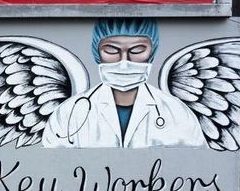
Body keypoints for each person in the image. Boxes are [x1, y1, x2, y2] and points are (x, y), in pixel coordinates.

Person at [42, 18, 207, 149]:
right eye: (112, 50)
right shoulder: (70, 115)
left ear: (153, 51)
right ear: (97, 52)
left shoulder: (177, 114)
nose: (124, 61)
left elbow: (195, 170)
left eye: (137, 50)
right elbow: (55, 169)